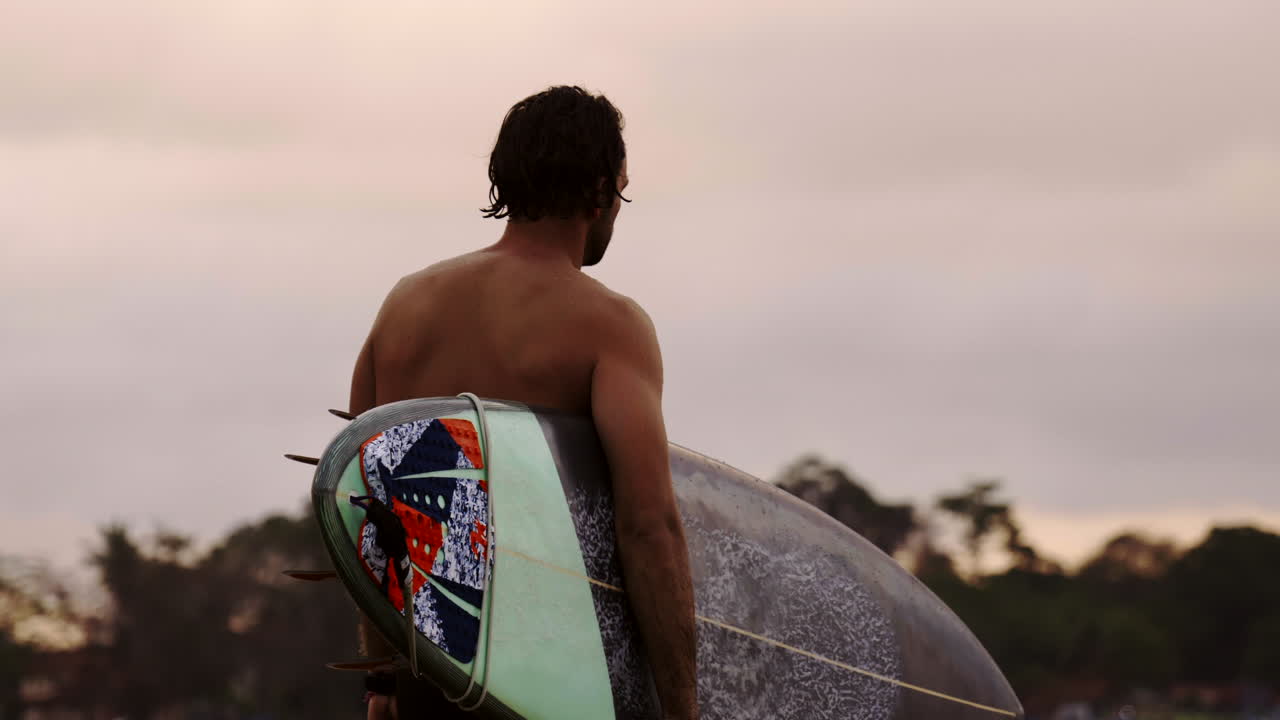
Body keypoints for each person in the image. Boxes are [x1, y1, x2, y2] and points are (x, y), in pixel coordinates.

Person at [347, 85, 699, 720]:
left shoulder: (404, 307)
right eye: (621, 191)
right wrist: (681, 708)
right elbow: (648, 527)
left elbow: (371, 511)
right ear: (599, 191)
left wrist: (381, 687)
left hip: (430, 685)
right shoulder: (610, 326)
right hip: (555, 686)